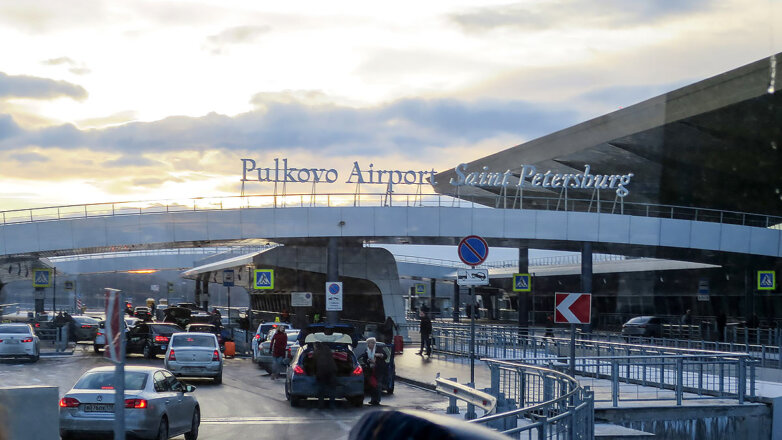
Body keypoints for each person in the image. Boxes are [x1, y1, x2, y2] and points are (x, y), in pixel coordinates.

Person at [359, 337, 389, 406]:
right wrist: (368, 361)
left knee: (378, 385)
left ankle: (377, 400)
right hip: (371, 370)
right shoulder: (367, 350)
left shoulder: (378, 349)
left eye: (371, 343)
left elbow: (385, 356)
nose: (370, 344)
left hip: (379, 369)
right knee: (372, 385)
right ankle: (373, 399)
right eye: (369, 343)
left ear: (374, 343)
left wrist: (380, 355)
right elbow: (364, 359)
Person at [313, 342, 337, 409]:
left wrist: (314, 372)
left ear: (316, 346)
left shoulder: (316, 352)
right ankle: (332, 404)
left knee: (321, 389)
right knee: (332, 389)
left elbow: (314, 364)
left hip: (322, 373)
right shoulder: (328, 350)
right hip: (332, 371)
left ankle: (321, 405)